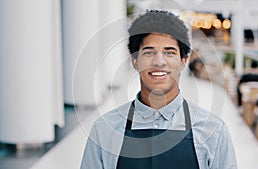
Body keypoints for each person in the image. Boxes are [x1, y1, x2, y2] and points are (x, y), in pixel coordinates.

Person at [81, 10, 237, 169]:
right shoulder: (104, 130)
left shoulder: (214, 131)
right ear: (134, 61)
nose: (159, 61)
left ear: (183, 61)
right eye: (149, 52)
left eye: (169, 52)